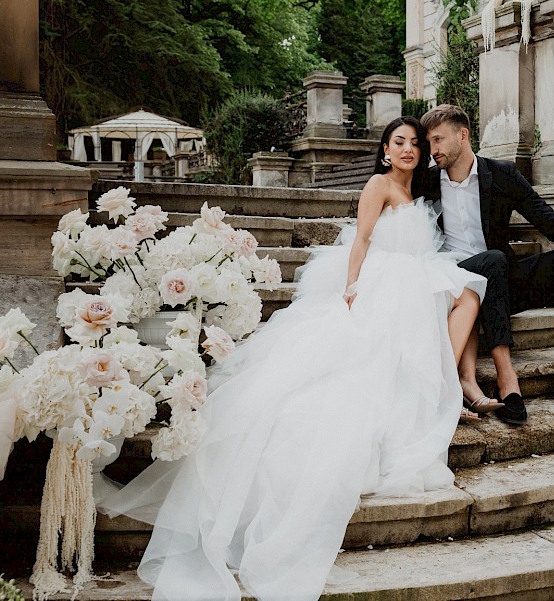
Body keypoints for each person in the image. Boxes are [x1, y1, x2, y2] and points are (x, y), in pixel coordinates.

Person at [96, 117, 487, 601]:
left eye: (415, 144)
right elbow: (362, 239)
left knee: (463, 294)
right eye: (399, 143)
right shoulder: (377, 184)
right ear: (385, 150)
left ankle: (447, 384)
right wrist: (351, 288)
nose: (408, 150)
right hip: (382, 282)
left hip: (411, 282)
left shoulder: (420, 191)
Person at [421, 105, 554, 425]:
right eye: (429, 142)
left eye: (438, 140)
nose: (433, 149)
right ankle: (507, 379)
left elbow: (547, 219)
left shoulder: (501, 174)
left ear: (463, 134)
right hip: (459, 289)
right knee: (493, 261)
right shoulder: (426, 183)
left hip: (500, 285)